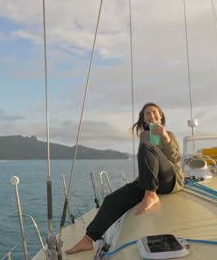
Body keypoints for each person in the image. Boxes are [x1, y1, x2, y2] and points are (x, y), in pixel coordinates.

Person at [65, 102, 185, 254]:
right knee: (111, 200)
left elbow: (174, 159)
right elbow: (148, 161)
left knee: (148, 147)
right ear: (144, 120)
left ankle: (150, 195)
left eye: (154, 112)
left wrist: (166, 137)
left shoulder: (170, 135)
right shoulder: (145, 135)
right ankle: (88, 239)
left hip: (170, 179)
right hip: (151, 181)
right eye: (147, 114)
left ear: (161, 116)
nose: (151, 115)